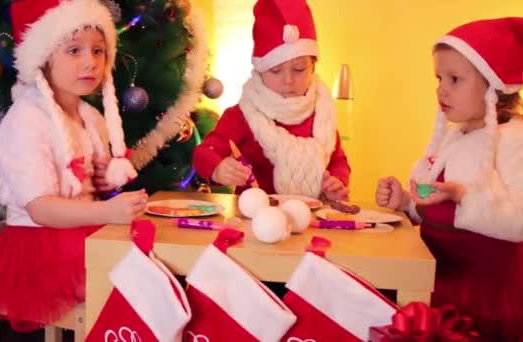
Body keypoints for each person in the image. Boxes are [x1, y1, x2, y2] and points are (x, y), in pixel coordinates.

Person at [0, 0, 148, 331]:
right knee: (130, 287)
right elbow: (41, 209)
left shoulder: (90, 117)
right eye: (73, 50)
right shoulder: (26, 119)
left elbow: (88, 188)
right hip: (39, 247)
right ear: (42, 59)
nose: (90, 62)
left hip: (84, 233)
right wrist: (107, 213)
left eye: (98, 51)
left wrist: (105, 183)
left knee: (151, 270)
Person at [376, 17, 523, 341]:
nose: (441, 88)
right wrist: (406, 201)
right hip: (437, 287)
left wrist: (462, 195)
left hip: (483, 299)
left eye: (455, 79)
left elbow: (517, 223)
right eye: (439, 77)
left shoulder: (514, 140)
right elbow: (434, 202)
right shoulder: (454, 138)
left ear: (493, 87)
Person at [193, 0, 350, 201]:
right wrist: (218, 168)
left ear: (313, 67)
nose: (288, 80)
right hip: (254, 219)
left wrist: (338, 182)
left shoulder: (322, 113)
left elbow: (338, 161)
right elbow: (205, 152)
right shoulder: (242, 115)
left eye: (299, 69)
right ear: (260, 71)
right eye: (276, 70)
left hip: (313, 216)